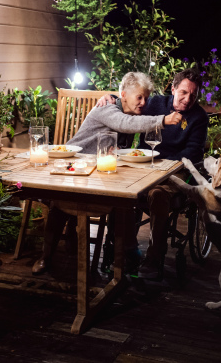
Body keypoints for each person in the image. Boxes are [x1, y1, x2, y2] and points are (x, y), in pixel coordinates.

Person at [32, 72, 183, 275]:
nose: (143, 102)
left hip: (100, 169)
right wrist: (164, 120)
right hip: (74, 165)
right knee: (61, 204)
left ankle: (121, 258)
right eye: (139, 97)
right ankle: (46, 257)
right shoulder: (108, 109)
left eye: (145, 98)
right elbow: (124, 124)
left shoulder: (127, 110)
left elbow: (122, 133)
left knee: (122, 201)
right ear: (123, 95)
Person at [99, 68, 208, 280]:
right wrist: (111, 97)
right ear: (174, 88)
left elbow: (193, 152)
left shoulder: (199, 117)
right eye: (184, 92)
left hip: (177, 171)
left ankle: (154, 257)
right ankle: (121, 251)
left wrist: (165, 166)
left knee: (158, 194)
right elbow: (130, 102)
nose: (188, 99)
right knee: (119, 189)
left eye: (193, 95)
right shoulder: (156, 103)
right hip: (144, 165)